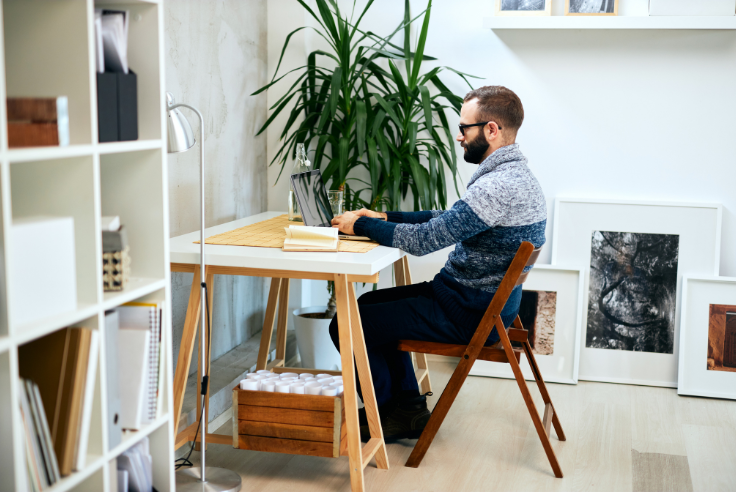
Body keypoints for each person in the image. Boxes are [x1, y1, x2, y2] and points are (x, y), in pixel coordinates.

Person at [330, 86, 547, 441]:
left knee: (346, 323)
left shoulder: (497, 187)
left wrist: (360, 226)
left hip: (466, 313)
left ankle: (385, 412)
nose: (459, 136)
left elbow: (424, 241)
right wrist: (384, 216)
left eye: (464, 128)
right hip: (477, 305)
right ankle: (407, 409)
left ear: (491, 130)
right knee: (365, 306)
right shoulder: (515, 177)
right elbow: (449, 219)